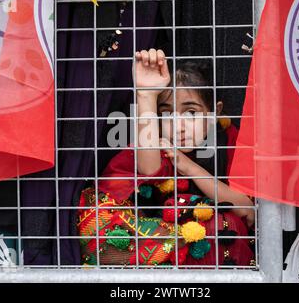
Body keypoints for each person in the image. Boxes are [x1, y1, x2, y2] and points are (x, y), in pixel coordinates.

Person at [77, 49, 254, 267]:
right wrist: (146, 94)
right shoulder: (156, 144)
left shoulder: (230, 141)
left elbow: (246, 208)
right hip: (160, 243)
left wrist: (188, 167)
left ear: (214, 112)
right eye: (166, 114)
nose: (178, 126)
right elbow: (149, 169)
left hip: (204, 247)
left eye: (191, 113)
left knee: (223, 225)